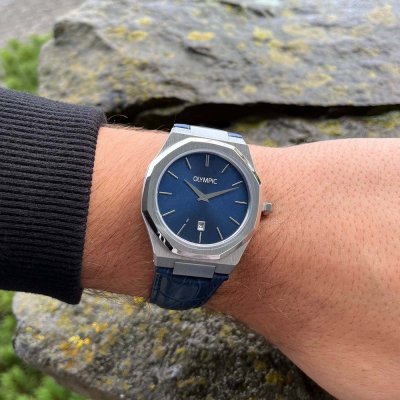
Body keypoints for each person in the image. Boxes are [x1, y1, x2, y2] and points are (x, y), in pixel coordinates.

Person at [1, 87, 399, 400]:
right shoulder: (154, 194)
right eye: (198, 192)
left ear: (261, 207)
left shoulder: (242, 208)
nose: (204, 197)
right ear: (148, 192)